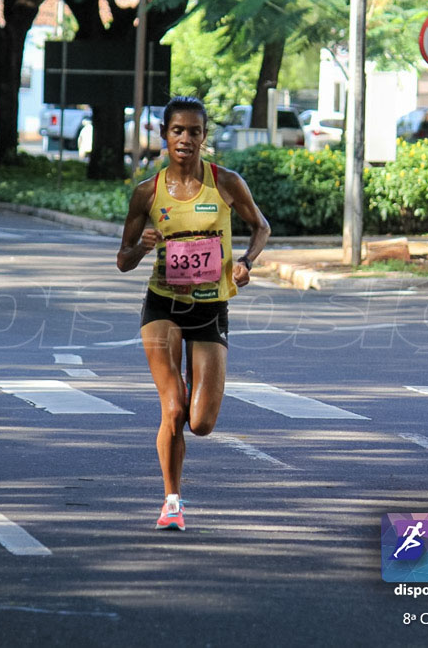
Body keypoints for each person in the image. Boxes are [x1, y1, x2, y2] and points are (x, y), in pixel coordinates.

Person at [117, 96, 271, 531]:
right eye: (177, 131)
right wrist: (140, 247)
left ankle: (187, 390)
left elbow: (261, 226)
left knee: (200, 421)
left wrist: (246, 262)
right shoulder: (147, 192)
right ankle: (172, 501)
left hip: (210, 307)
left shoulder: (226, 183)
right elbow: (123, 260)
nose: (185, 139)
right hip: (162, 304)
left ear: (205, 137)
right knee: (172, 407)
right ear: (164, 135)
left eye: (194, 131)